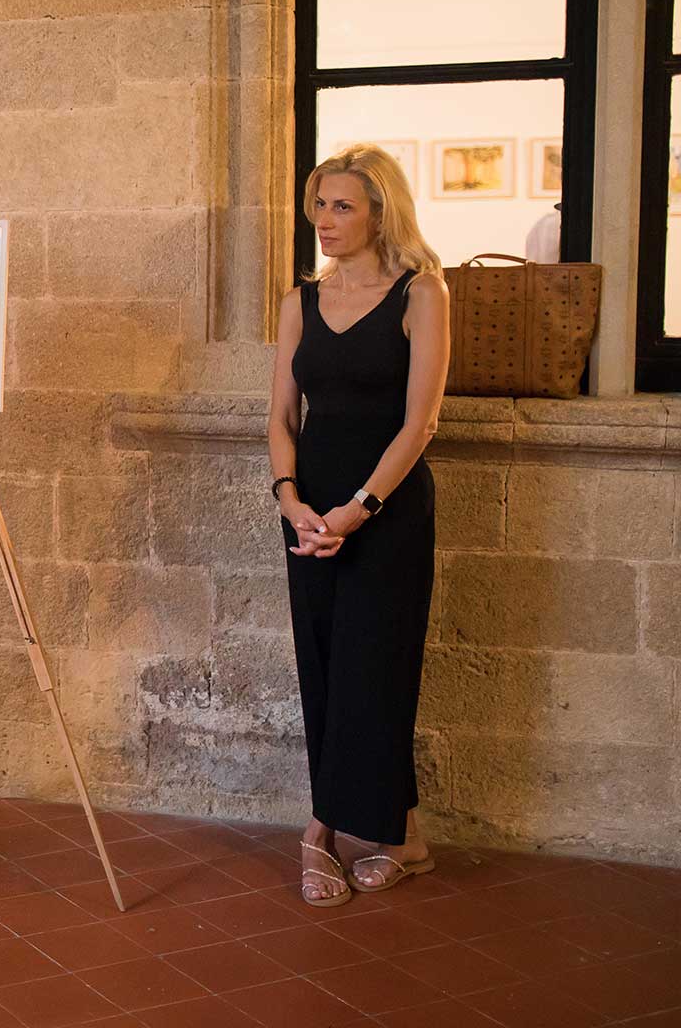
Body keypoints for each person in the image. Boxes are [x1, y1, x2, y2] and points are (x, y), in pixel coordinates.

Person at [267, 143, 450, 909]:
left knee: (376, 671)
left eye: (341, 205)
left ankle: (331, 831)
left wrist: (359, 509)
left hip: (387, 512)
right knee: (323, 667)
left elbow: (421, 423)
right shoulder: (299, 302)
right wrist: (291, 501)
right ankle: (393, 834)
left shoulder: (422, 293)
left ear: (380, 211)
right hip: (310, 515)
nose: (324, 219)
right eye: (318, 204)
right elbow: (281, 417)